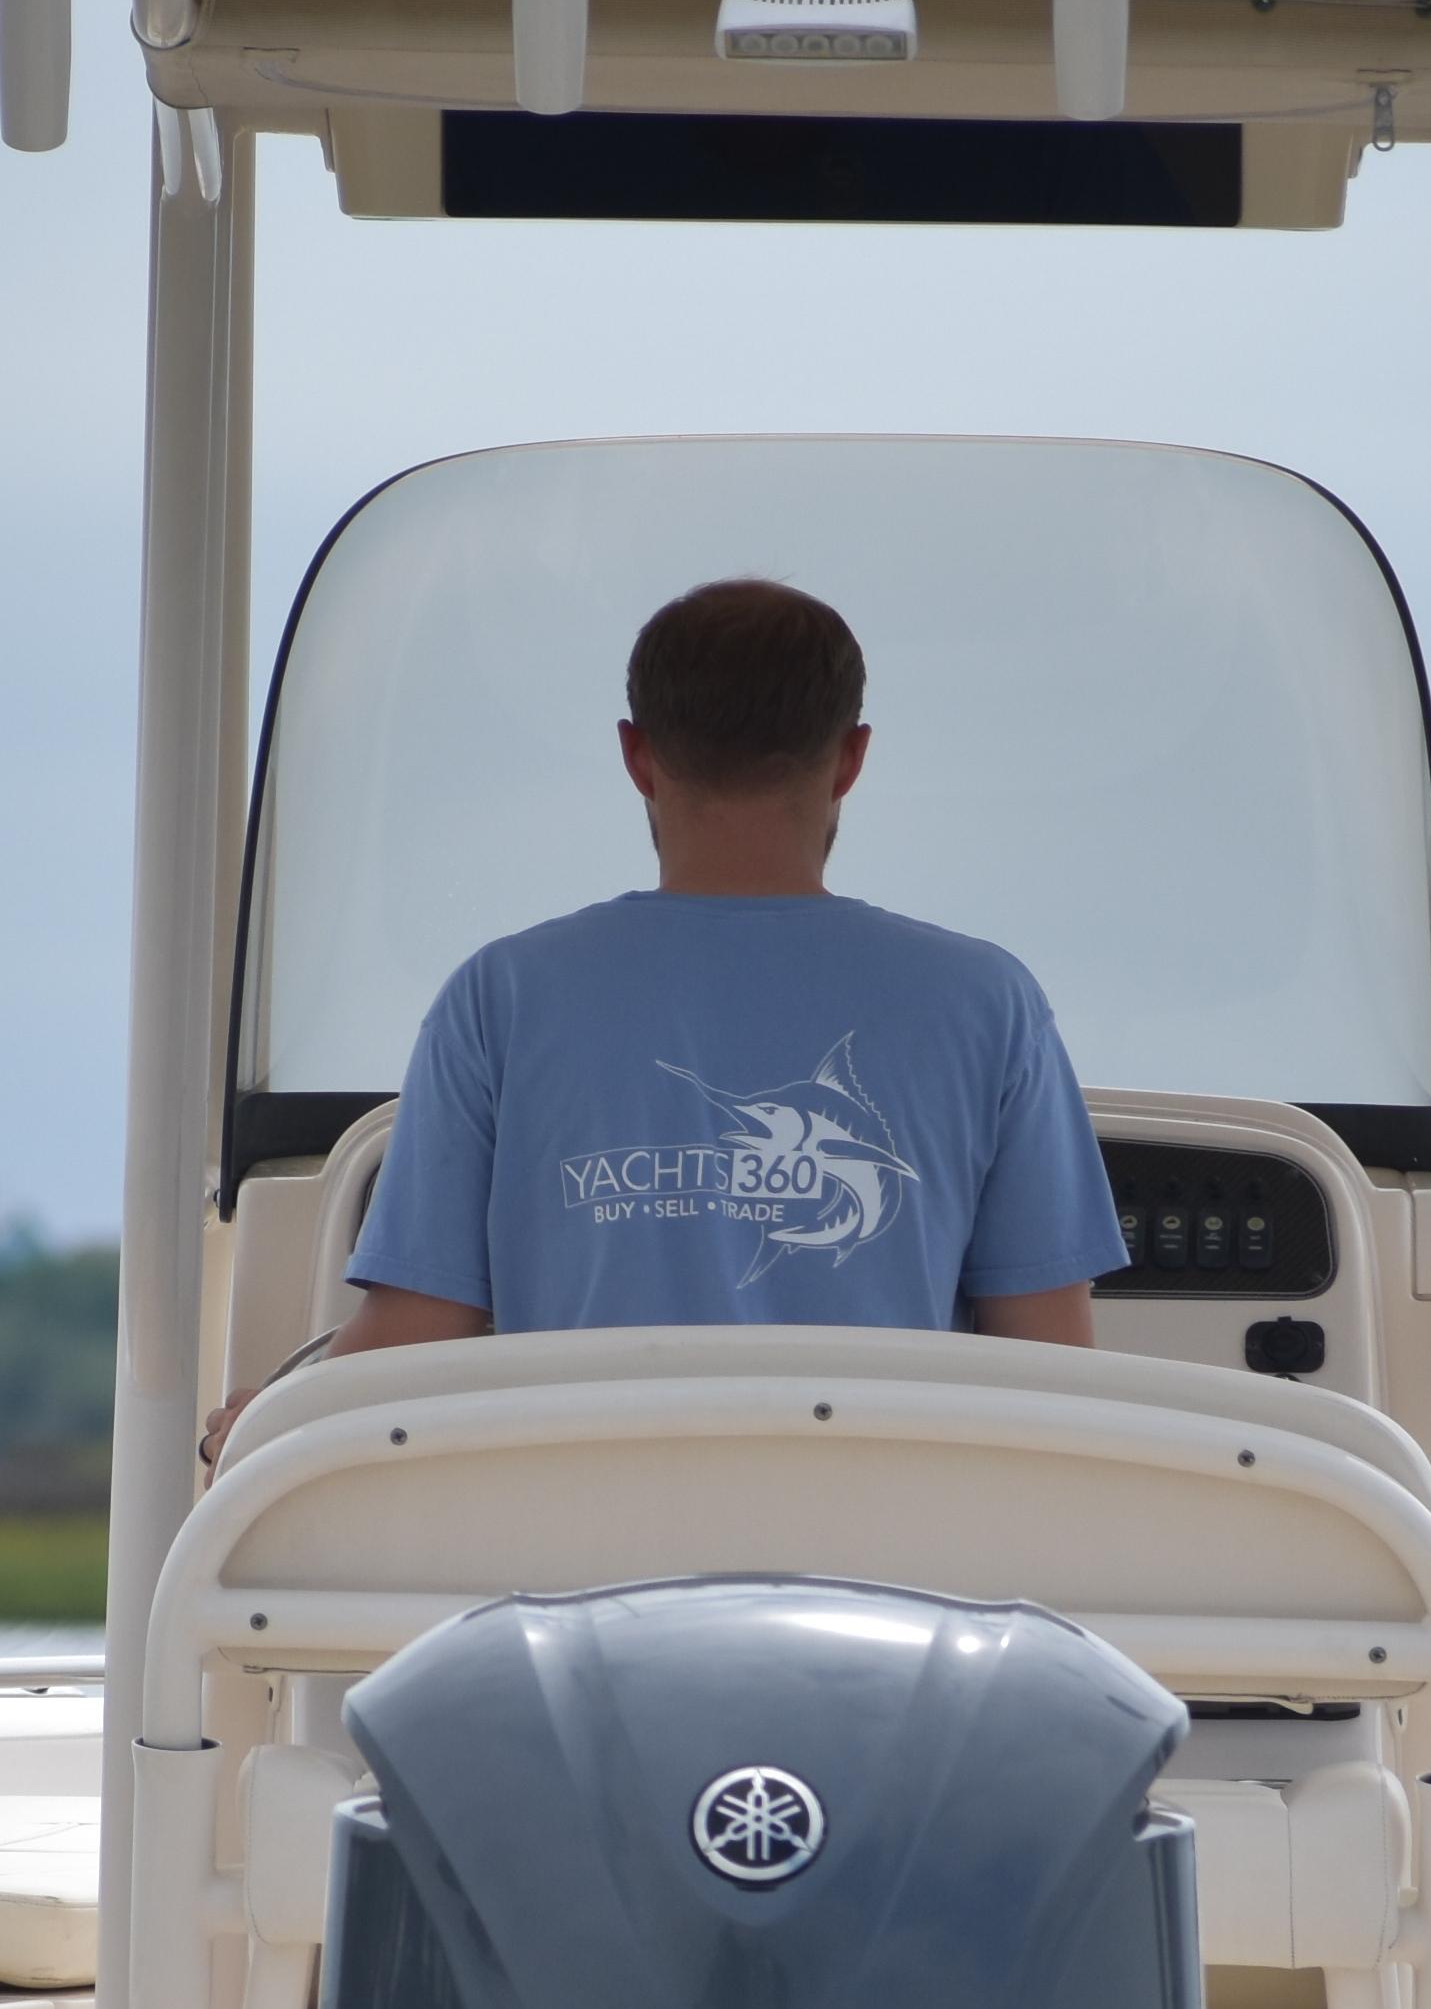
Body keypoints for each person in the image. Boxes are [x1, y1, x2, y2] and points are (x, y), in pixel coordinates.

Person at [208, 578, 1118, 1461]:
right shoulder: (987, 1003)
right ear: (851, 755)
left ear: (637, 754)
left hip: (584, 1572)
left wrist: (269, 1419)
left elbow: (416, 1333)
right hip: (880, 1578)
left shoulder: (502, 998)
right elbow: (1044, 1364)